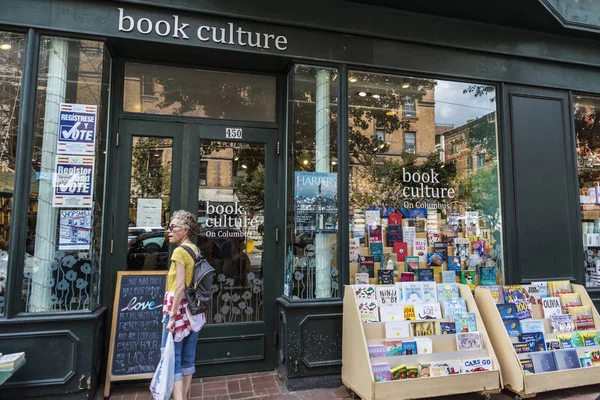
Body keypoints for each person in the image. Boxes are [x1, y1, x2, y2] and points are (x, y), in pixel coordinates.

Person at [162, 210, 204, 400]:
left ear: (185, 230)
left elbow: (179, 286)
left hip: (178, 308)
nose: (168, 231)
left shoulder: (179, 252)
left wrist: (171, 316)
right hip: (194, 309)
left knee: (173, 355)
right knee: (188, 356)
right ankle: (184, 396)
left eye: (173, 227)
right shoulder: (195, 249)